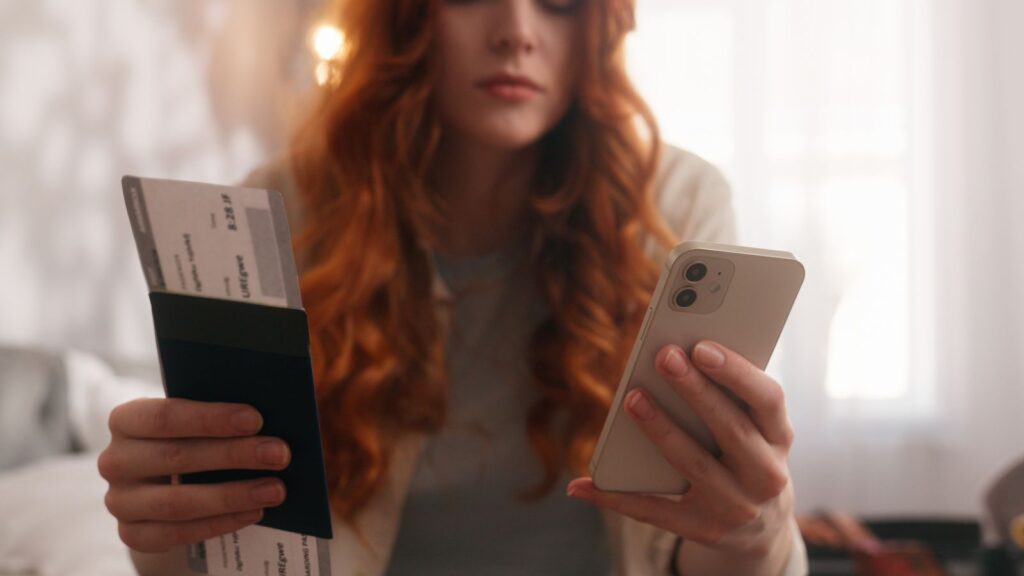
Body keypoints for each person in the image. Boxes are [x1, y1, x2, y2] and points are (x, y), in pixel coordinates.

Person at [99, 0, 808, 574]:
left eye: (559, 4)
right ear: (405, 16)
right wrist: (162, 533)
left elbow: (699, 541)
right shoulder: (280, 215)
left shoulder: (676, 211)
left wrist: (754, 531)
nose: (516, 33)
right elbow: (235, 548)